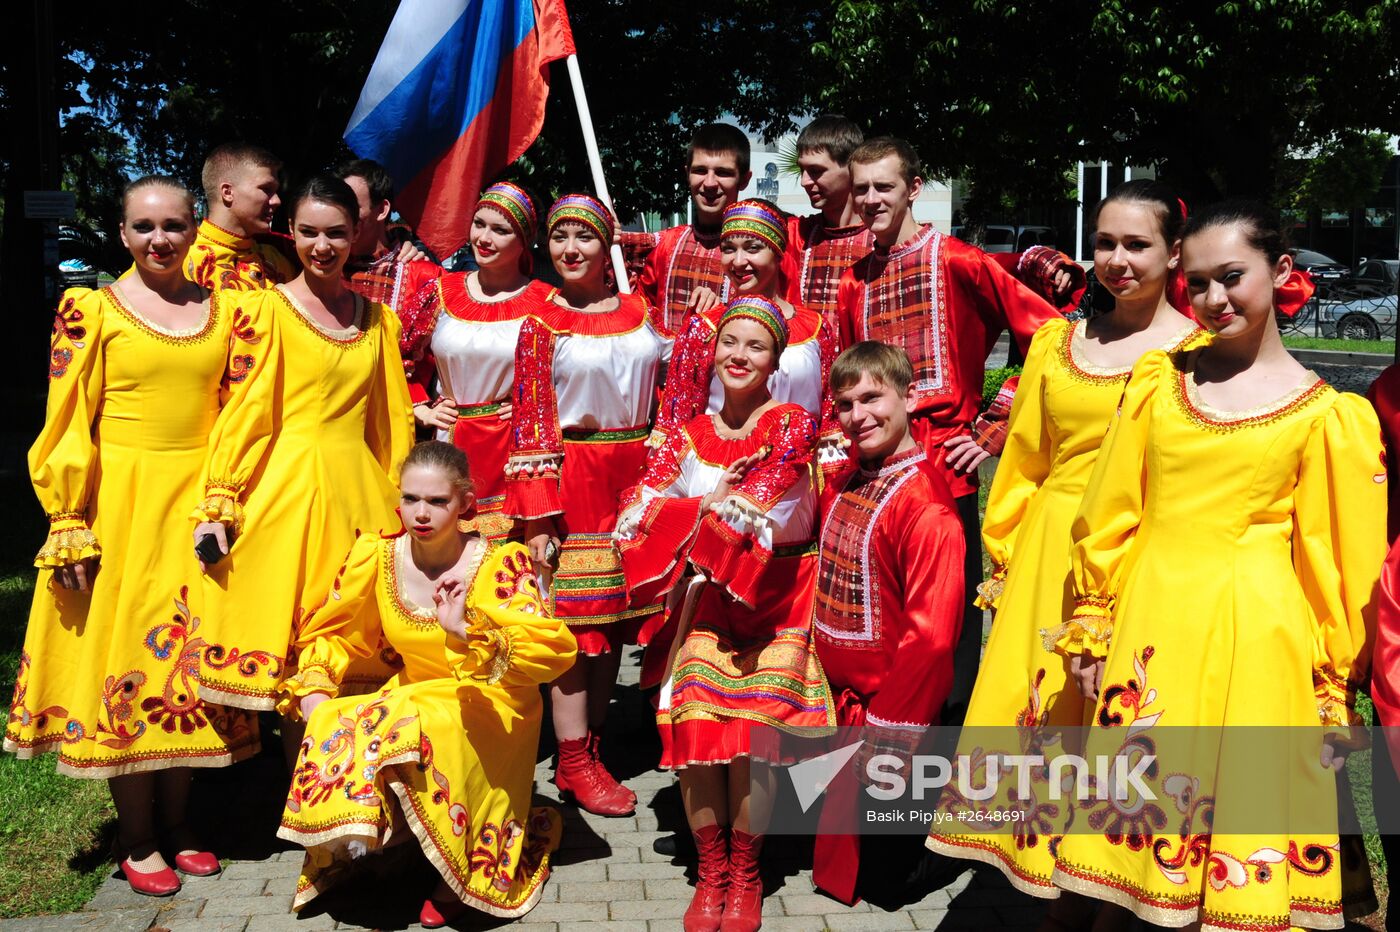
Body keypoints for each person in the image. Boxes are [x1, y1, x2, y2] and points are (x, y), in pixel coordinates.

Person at [1046, 201, 1384, 929]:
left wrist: (1331, 685)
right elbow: (1109, 511)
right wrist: (1091, 621)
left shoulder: (1327, 416)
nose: (1214, 299)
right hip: (1151, 628)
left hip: (1257, 644)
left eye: (1232, 277)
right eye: (1196, 284)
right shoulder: (1156, 385)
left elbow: (1338, 563)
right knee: (1128, 851)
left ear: (1282, 272)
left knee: (1232, 848)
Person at [925, 181, 1206, 911]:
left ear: (1174, 251)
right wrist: (1009, 558)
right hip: (1053, 555)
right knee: (1048, 725)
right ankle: (1047, 887)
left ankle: (1110, 893)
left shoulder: (1200, 350)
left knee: (1118, 728)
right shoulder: (1058, 340)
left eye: (1136, 244)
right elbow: (1024, 461)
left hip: (1145, 555)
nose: (1116, 260)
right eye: (1105, 243)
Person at [4, 176, 258, 896]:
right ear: (121, 233)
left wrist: (224, 498)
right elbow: (66, 418)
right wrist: (68, 519)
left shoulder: (225, 311)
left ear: (192, 228)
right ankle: (137, 833)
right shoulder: (94, 309)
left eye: (174, 225)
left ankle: (180, 824)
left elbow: (239, 414)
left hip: (200, 511)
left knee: (185, 664)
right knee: (130, 662)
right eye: (144, 226)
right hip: (123, 505)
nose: (159, 239)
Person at [277, 441, 576, 927]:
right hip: (418, 693)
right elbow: (335, 632)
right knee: (353, 717)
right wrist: (315, 686)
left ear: (466, 504)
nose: (421, 513)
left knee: (400, 719)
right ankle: (395, 839)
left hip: (493, 699)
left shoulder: (501, 563)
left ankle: (450, 863)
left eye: (437, 501)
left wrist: (463, 631)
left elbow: (551, 653)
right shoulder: (376, 557)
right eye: (411, 499)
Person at [617, 298, 832, 932]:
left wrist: (700, 508)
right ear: (711, 353)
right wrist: (706, 503)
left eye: (756, 347)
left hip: (780, 594)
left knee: (753, 739)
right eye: (729, 342)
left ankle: (746, 873)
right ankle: (710, 873)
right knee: (697, 723)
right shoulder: (684, 433)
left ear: (775, 361)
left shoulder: (793, 423)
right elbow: (633, 517)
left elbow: (761, 498)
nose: (739, 356)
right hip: (709, 598)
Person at [835, 136, 1062, 725]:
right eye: (860, 188)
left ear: (914, 189)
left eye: (883, 186)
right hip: (875, 465)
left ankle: (942, 736)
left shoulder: (960, 260)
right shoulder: (853, 280)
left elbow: (1051, 337)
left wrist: (993, 425)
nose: (870, 199)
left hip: (947, 466)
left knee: (947, 616)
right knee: (883, 598)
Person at [191, 174, 414, 715]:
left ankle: (334, 787)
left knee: (345, 654)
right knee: (292, 652)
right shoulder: (262, 311)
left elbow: (391, 423)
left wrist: (404, 500)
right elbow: (246, 414)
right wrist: (221, 499)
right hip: (285, 495)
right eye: (309, 232)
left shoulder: (377, 318)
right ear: (290, 231)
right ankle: (302, 787)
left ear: (356, 232)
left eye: (336, 233)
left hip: (359, 499)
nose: (322, 247)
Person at [503, 194, 672, 816]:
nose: (570, 250)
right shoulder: (540, 322)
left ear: (608, 247)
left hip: (637, 477)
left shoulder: (642, 312)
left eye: (585, 238)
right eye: (559, 238)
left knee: (615, 624)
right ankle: (572, 759)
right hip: (575, 476)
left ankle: (591, 748)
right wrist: (538, 514)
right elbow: (531, 420)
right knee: (577, 626)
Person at [809, 342, 966, 906]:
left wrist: (888, 731)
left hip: (888, 712)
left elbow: (931, 638)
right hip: (842, 703)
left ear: (908, 395)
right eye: (846, 404)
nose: (859, 416)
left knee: (885, 883)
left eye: (872, 397)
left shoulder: (927, 508)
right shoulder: (852, 477)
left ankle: (956, 845)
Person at [785, 116, 1084, 341]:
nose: (804, 181)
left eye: (816, 171)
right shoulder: (799, 237)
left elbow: (984, 267)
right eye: (802, 170)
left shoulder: (894, 240)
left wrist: (1041, 263)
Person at [399, 182, 553, 543]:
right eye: (479, 224)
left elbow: (568, 376)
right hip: (450, 439)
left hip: (514, 450)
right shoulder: (440, 293)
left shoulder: (548, 303)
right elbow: (397, 357)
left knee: (505, 560)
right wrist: (419, 406)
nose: (484, 238)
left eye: (500, 230)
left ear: (525, 239)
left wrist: (535, 409)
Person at [651, 199, 843, 470]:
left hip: (799, 478)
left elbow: (830, 420)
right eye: (729, 249)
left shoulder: (817, 329)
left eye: (753, 248)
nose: (739, 262)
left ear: (778, 252)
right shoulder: (703, 328)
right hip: (720, 476)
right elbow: (678, 422)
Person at [621, 123, 753, 336]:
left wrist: (724, 312)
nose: (709, 183)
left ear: (744, 180)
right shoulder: (666, 246)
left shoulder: (761, 250)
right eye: (700, 171)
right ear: (687, 174)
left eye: (723, 173)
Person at [336, 158, 442, 314]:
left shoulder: (423, 276)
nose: (341, 216)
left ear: (382, 210)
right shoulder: (319, 261)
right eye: (337, 206)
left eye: (352, 206)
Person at [184, 142, 296, 291]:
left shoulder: (277, 258)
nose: (277, 201)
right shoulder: (181, 262)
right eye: (266, 189)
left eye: (275, 191)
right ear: (228, 192)